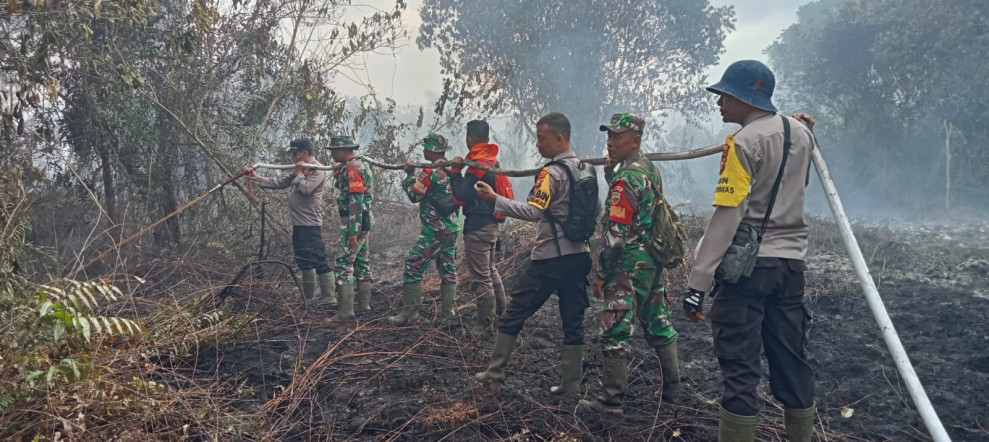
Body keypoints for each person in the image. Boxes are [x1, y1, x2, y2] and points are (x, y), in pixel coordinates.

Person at [682, 60, 817, 442]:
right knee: (792, 361)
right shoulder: (801, 133)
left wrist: (698, 281)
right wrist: (803, 128)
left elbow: (729, 213)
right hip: (790, 267)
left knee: (740, 370)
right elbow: (801, 180)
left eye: (725, 95)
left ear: (744, 97)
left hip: (749, 271)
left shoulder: (743, 143)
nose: (719, 103)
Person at [473, 112, 593, 394]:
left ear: (560, 138)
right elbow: (594, 211)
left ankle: (495, 370)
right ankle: (571, 385)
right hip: (580, 256)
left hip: (550, 258)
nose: (538, 144)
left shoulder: (549, 173)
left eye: (542, 138)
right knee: (573, 320)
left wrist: (495, 199)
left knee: (516, 312)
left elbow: (533, 212)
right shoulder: (587, 169)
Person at [579, 112, 681, 415]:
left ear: (634, 140)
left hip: (628, 265)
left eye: (616, 137)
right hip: (651, 261)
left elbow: (616, 236)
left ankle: (611, 403)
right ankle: (674, 391)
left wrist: (600, 273)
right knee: (657, 321)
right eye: (608, 136)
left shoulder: (627, 178)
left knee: (615, 329)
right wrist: (613, 177)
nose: (610, 142)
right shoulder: (647, 168)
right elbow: (638, 207)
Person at [246, 138, 335, 305]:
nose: (292, 158)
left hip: (311, 223)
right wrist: (258, 178)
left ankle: (329, 297)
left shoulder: (318, 169)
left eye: (295, 154)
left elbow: (306, 189)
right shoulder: (298, 169)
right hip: (298, 224)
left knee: (318, 258)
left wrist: (300, 173)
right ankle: (309, 298)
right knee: (303, 259)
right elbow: (281, 182)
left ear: (305, 153)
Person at [389, 133, 461, 326]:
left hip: (435, 229)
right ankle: (448, 312)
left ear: (431, 149)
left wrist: (409, 175)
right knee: (448, 266)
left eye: (425, 147)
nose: (423, 150)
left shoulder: (429, 172)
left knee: (412, 263)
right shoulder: (453, 169)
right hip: (452, 228)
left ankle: (410, 313)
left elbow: (414, 195)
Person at [445, 120, 508, 334]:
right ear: (487, 139)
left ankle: (484, 324)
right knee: (490, 270)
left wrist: (454, 172)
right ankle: (501, 314)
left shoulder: (477, 166)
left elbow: (462, 196)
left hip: (479, 225)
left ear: (469, 138)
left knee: (481, 276)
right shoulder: (491, 161)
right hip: (492, 224)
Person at [326, 135, 374, 323]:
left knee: (343, 263)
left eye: (334, 151)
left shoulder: (353, 168)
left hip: (355, 222)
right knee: (362, 261)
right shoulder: (357, 165)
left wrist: (353, 231)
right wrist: (338, 176)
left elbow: (356, 199)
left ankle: (345, 312)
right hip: (363, 220)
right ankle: (363, 306)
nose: (332, 154)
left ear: (343, 150)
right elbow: (348, 190)